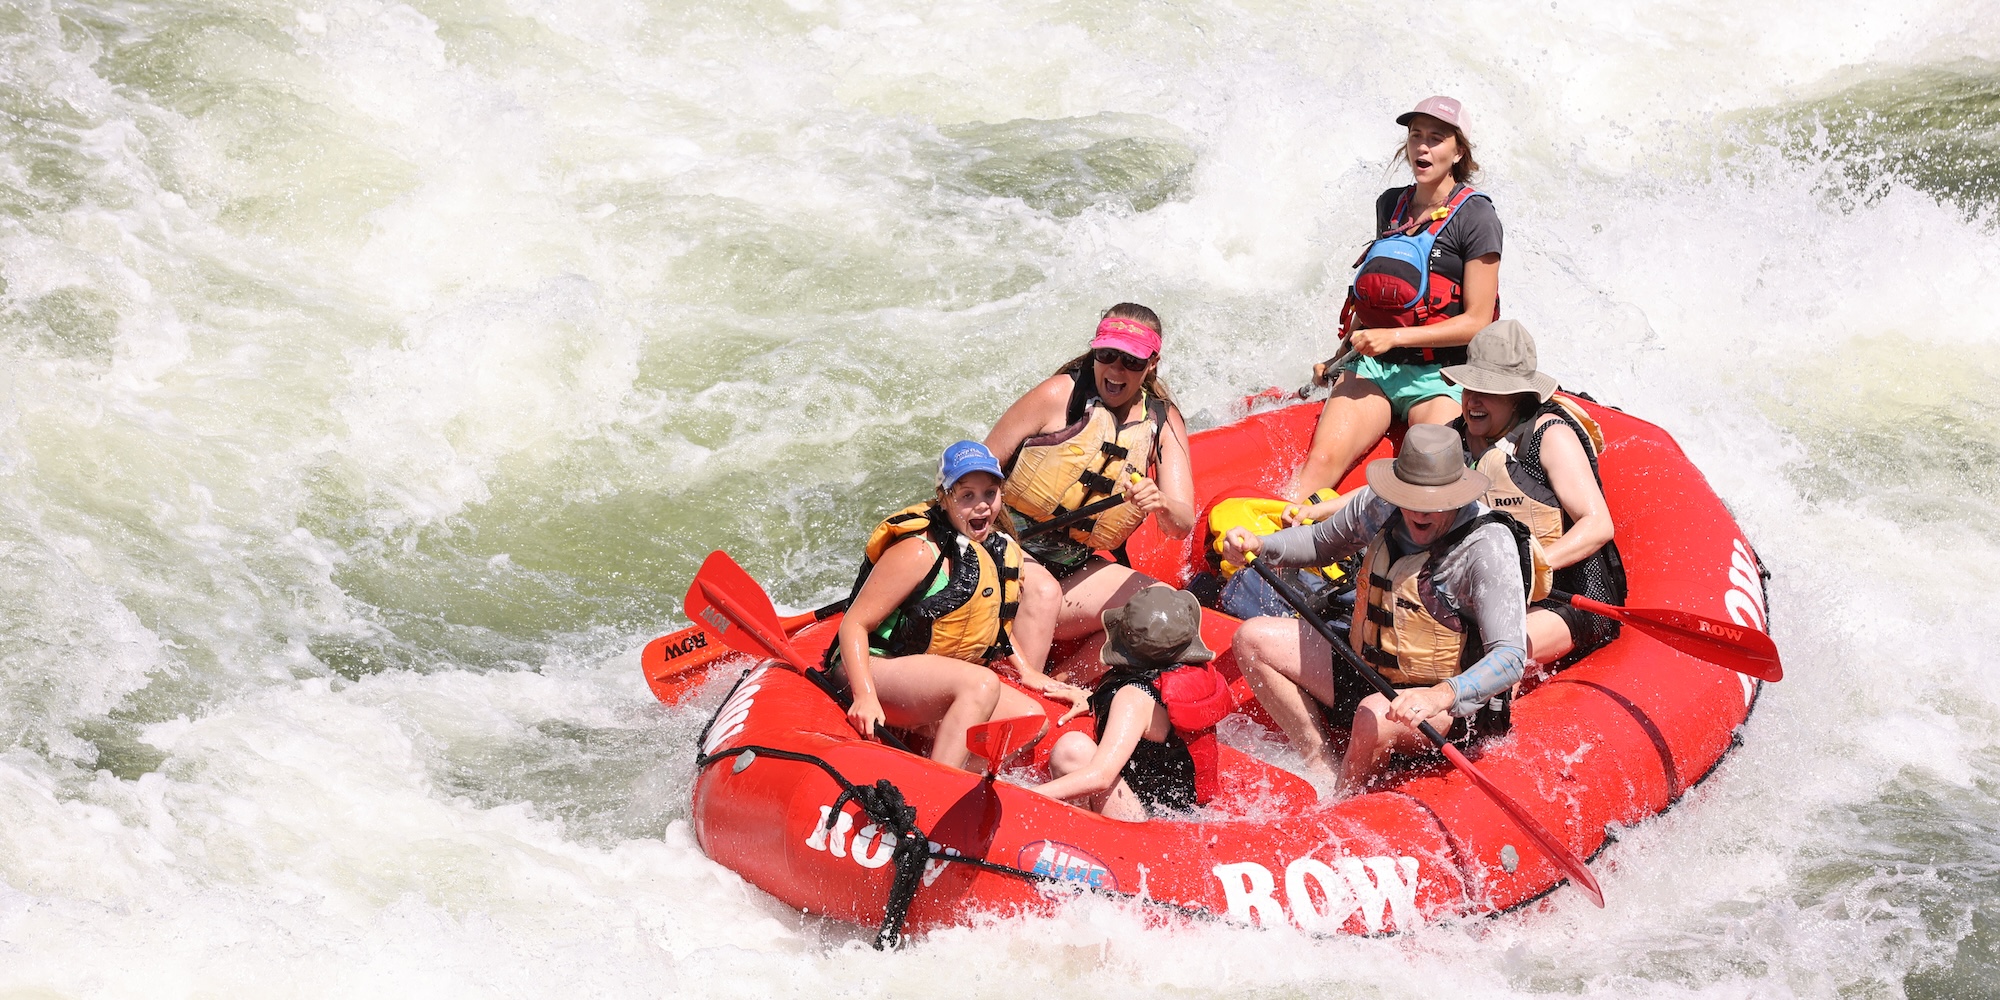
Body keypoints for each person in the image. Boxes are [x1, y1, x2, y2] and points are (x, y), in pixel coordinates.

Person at [1221, 424, 1544, 794]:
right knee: (1251, 639)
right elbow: (1319, 542)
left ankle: (1345, 803)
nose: (1418, 511)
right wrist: (1262, 545)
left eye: (1431, 502)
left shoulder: (1487, 545)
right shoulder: (1382, 503)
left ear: (1455, 496)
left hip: (1446, 703)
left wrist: (1438, 695)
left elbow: (1509, 657)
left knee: (1374, 715)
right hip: (1369, 666)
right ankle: (1319, 762)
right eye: (1410, 497)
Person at [819, 441, 1083, 770]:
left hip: (925, 679)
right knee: (981, 684)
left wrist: (1027, 671)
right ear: (944, 498)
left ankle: (951, 778)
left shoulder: (994, 548)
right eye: (967, 496)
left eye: (990, 493)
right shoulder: (918, 552)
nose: (982, 506)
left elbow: (990, 622)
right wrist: (865, 695)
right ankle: (937, 786)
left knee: (1030, 719)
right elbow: (854, 624)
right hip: (874, 669)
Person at [1293, 95, 1503, 500]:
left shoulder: (1478, 217)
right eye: (1415, 135)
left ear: (1459, 150)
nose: (1422, 147)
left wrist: (1395, 338)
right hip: (1376, 367)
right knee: (1319, 464)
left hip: (1442, 376)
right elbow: (1378, 296)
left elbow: (1478, 321)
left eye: (1437, 138)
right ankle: (1273, 547)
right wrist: (1339, 358)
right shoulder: (1391, 204)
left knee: (1425, 478)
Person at [985, 303, 1196, 681]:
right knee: (1044, 592)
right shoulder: (1058, 395)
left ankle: (1060, 684)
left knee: (1165, 610)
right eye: (1107, 355)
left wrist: (1161, 503)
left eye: (1131, 361)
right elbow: (975, 472)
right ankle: (1018, 691)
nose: (1116, 370)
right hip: (1002, 550)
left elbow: (1181, 524)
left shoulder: (1162, 422)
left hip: (1071, 566)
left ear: (1152, 363)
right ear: (1094, 351)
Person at [1442, 320, 1626, 665]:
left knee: (1489, 656)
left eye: (1489, 391)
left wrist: (1532, 566)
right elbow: (1398, 489)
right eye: (1469, 388)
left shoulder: (1550, 435)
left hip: (1569, 595)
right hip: (1488, 593)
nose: (1474, 401)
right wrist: (1323, 512)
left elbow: (1598, 524)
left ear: (1517, 397)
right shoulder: (1456, 435)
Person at [1028, 587, 1233, 820]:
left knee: (1071, 750)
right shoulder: (1185, 672)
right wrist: (1093, 700)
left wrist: (1023, 794)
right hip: (1183, 813)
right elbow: (1153, 719)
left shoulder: (1134, 697)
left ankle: (1078, 838)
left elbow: (1101, 777)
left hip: (1144, 822)